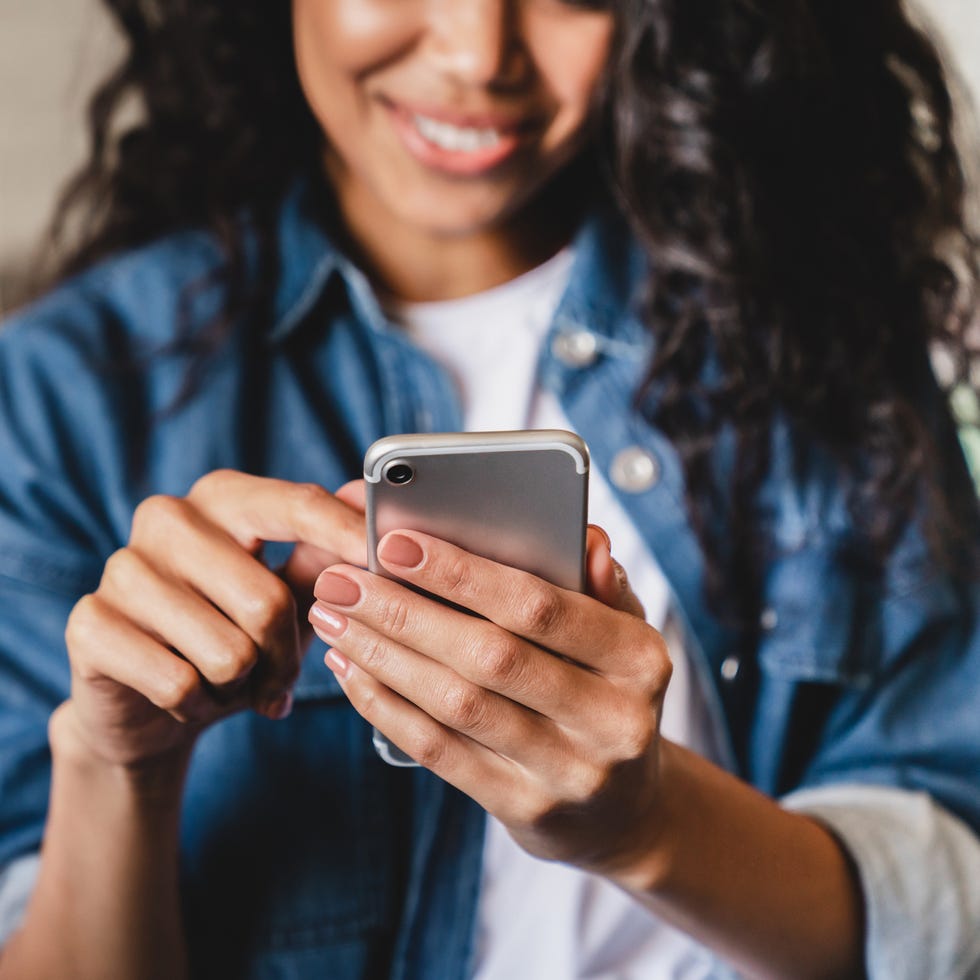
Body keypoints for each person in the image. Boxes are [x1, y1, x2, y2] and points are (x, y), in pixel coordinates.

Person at [1, 0, 979, 977]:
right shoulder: (64, 397)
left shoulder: (816, 336)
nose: (475, 54)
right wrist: (115, 762)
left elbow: (947, 901)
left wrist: (646, 823)